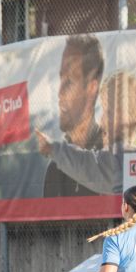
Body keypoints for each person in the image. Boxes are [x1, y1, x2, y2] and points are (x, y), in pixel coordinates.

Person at [37, 70, 136, 195]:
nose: (101, 120)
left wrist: (53, 148)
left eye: (108, 112)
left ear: (126, 118)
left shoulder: (122, 160)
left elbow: (87, 167)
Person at [43, 34, 105, 198]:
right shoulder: (55, 168)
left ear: (92, 87)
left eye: (69, 81)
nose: (60, 93)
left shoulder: (109, 160)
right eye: (60, 79)